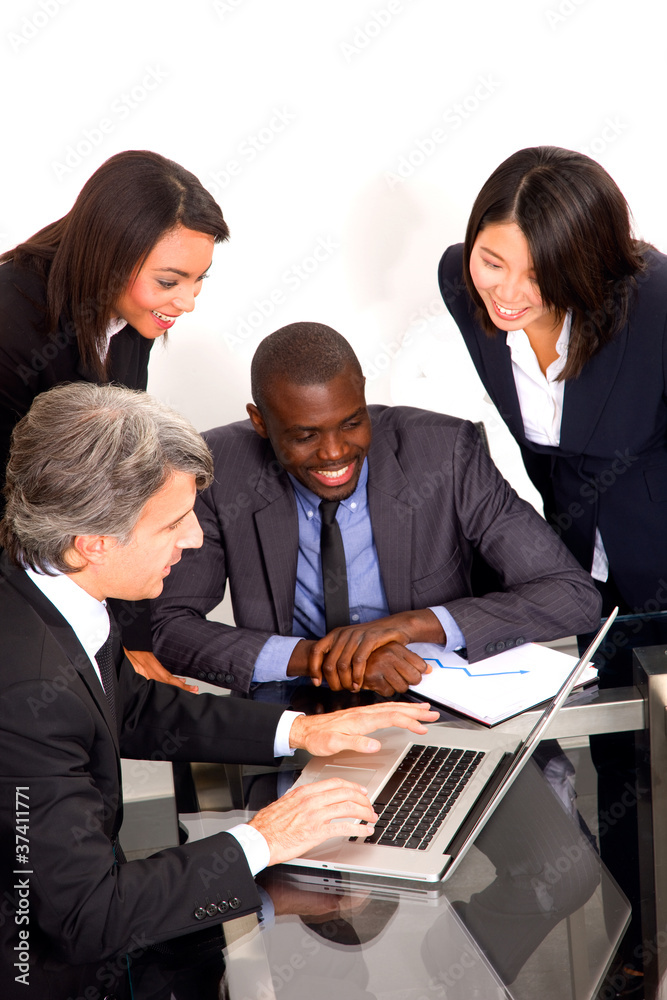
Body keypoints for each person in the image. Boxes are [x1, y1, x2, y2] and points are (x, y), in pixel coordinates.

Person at [0, 382, 438, 998]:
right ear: (93, 542)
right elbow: (89, 917)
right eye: (174, 524)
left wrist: (299, 731)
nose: (196, 541)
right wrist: (267, 836)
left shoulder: (49, 584)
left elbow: (130, 705)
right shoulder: (24, 694)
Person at [438, 144, 659, 984]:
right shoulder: (462, 282)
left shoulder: (657, 304)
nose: (504, 289)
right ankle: (637, 947)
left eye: (535, 275)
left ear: (590, 270)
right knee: (618, 756)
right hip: (582, 567)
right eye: (493, 259)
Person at [151, 321, 602, 697]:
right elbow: (168, 627)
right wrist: (318, 658)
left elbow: (572, 595)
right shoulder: (217, 468)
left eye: (351, 422)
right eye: (306, 435)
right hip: (300, 719)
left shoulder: (444, 452)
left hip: (448, 708)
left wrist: (410, 626)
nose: (334, 453)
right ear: (260, 422)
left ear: (363, 395)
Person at [0, 149, 230, 691]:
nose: (188, 302)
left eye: (199, 281)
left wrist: (131, 641)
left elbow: (125, 485)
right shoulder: (11, 319)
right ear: (110, 256)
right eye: (171, 281)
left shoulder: (128, 318)